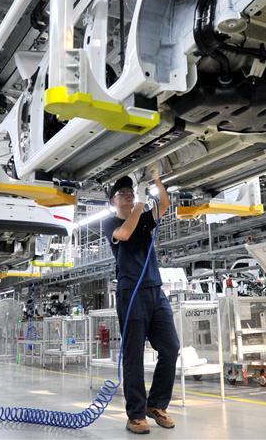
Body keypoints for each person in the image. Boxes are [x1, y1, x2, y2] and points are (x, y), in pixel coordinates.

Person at [104, 167, 179, 435]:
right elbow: (125, 234)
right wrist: (140, 205)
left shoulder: (145, 218)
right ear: (113, 201)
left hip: (155, 292)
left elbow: (165, 204)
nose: (128, 195)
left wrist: (156, 179)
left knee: (171, 347)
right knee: (134, 355)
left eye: (130, 192)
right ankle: (135, 415)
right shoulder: (110, 223)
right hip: (131, 293)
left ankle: (156, 404)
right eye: (122, 193)